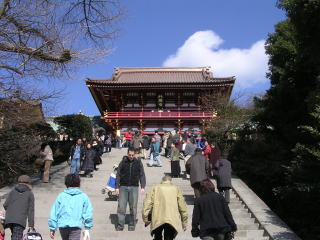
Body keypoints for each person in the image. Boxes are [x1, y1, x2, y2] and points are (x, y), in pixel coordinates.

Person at [142, 176, 188, 240]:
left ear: (162, 181)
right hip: (171, 218)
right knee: (169, 237)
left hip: (157, 217)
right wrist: (184, 223)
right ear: (170, 181)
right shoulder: (176, 189)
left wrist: (146, 219)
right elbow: (182, 207)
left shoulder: (155, 188)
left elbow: (147, 204)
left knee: (157, 237)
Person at [48, 174, 93, 240]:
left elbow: (54, 212)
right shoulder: (83, 196)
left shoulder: (61, 196)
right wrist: (87, 227)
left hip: (63, 225)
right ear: (79, 183)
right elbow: (88, 213)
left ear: (66, 184)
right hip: (76, 226)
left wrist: (52, 228)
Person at [115, 147, 146, 231]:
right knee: (121, 207)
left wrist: (142, 186)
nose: (131, 156)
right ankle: (120, 225)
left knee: (133, 207)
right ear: (127, 154)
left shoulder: (138, 162)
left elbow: (142, 175)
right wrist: (117, 187)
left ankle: (132, 224)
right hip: (123, 187)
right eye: (129, 155)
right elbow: (118, 175)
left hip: (134, 187)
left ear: (135, 154)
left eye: (132, 155)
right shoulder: (123, 162)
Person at [3, 175, 34, 240]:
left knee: (13, 234)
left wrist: (10, 211)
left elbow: (5, 205)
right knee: (16, 237)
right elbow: (31, 211)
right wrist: (31, 225)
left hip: (9, 218)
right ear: (28, 183)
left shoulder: (13, 191)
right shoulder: (30, 194)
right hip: (20, 220)